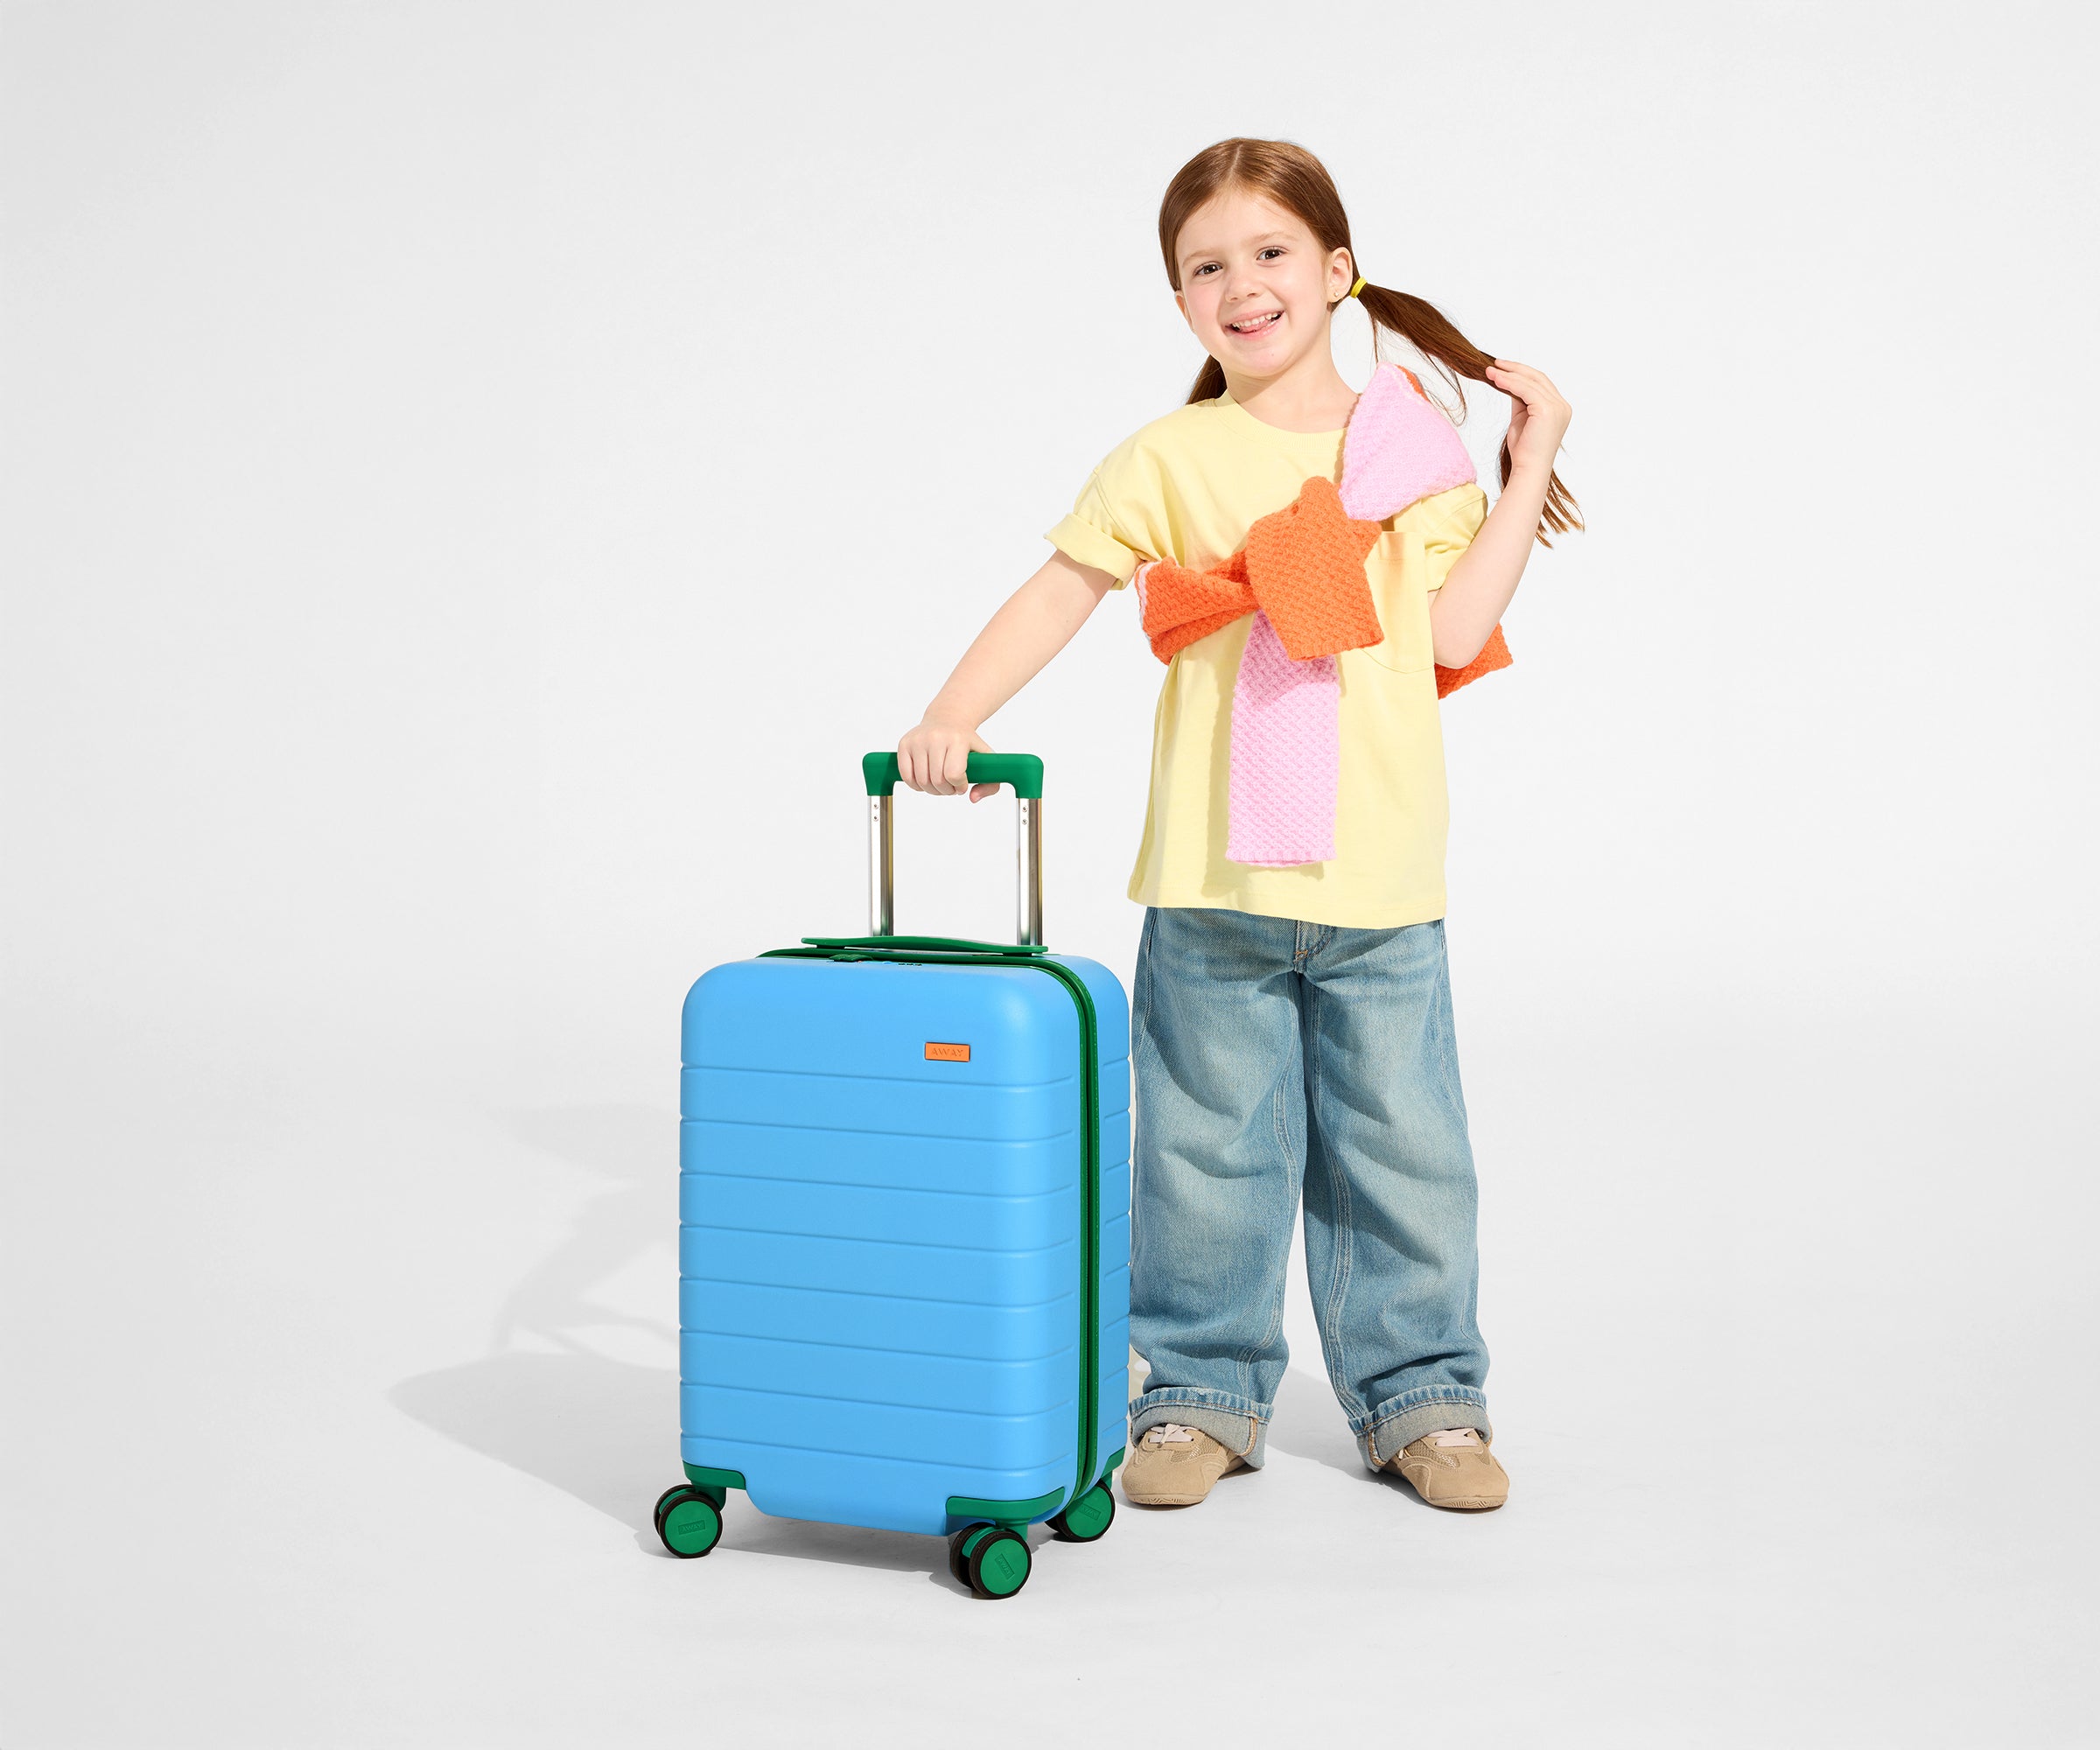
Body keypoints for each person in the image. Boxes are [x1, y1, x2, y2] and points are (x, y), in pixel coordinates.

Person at [893, 137, 1578, 1514]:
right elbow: (1060, 593)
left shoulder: (1408, 449)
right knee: (1202, 1151)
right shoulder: (1169, 456)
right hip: (1212, 880)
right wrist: (950, 713)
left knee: (1405, 1149)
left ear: (1337, 272)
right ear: (1183, 302)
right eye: (1205, 265)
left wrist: (1530, 461)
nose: (1240, 283)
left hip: (1378, 874)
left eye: (1270, 253)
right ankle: (1199, 1392)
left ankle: (1426, 1396)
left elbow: (1455, 628)